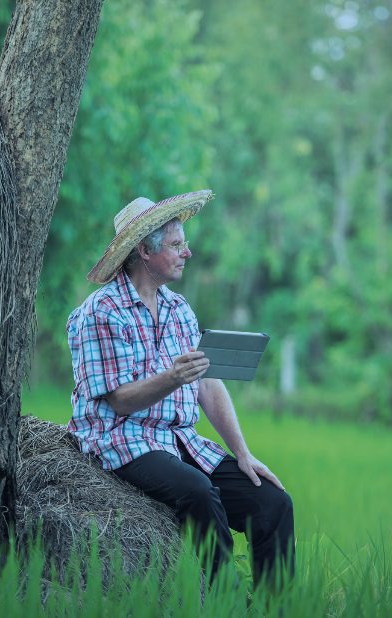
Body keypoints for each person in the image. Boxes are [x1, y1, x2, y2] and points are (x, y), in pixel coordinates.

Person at [65, 191, 294, 584]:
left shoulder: (179, 309)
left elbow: (207, 382)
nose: (187, 253)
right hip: (121, 439)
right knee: (198, 492)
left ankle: (280, 609)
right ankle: (226, 605)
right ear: (144, 251)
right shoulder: (100, 312)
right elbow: (119, 402)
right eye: (176, 245)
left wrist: (242, 453)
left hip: (177, 440)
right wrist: (172, 377)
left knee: (273, 502)